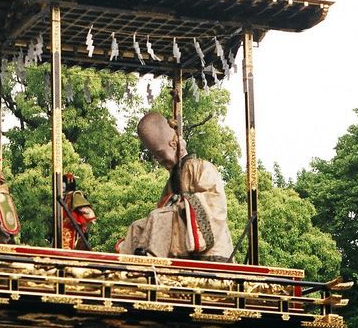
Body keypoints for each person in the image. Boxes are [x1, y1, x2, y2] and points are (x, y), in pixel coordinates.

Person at [117, 112, 234, 261]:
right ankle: (129, 263)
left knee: (158, 217)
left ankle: (151, 260)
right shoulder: (171, 181)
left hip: (210, 252)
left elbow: (215, 205)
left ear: (173, 143)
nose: (158, 159)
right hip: (176, 244)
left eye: (159, 153)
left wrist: (179, 207)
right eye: (154, 155)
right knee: (137, 226)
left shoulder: (202, 168)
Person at [60, 173, 96, 249]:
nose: (62, 187)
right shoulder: (63, 197)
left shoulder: (75, 195)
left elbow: (84, 208)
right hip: (62, 225)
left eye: (63, 185)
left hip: (71, 226)